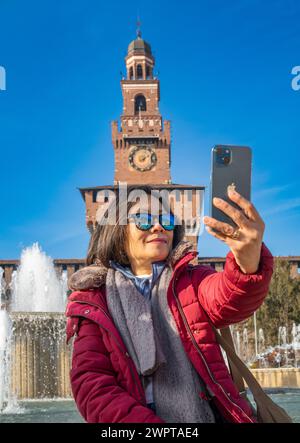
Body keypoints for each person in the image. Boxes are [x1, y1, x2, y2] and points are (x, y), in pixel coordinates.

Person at [65, 185, 274, 423]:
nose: (158, 226)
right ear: (117, 230)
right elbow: (92, 385)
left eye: (167, 219)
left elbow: (229, 296)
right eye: (143, 220)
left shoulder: (191, 281)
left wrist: (247, 264)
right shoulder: (94, 301)